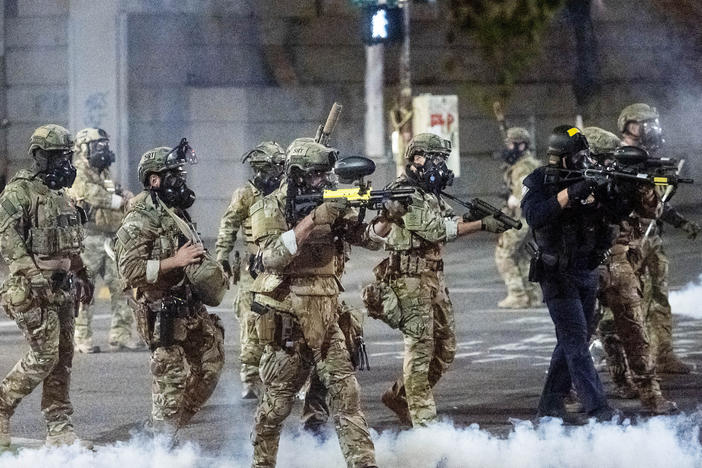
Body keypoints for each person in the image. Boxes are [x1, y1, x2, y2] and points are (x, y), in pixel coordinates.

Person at [363, 133, 508, 427]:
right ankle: (426, 428)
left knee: (444, 349)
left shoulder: (428, 193)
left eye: (443, 159)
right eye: (436, 158)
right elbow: (433, 231)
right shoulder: (404, 193)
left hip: (432, 279)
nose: (440, 165)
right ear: (417, 158)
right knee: (420, 351)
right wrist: (481, 225)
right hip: (409, 281)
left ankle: (399, 396)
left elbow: (448, 222)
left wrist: (470, 218)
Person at [249, 137, 379, 468]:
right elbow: (271, 257)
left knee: (348, 399)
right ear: (297, 175)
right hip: (287, 321)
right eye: (318, 174)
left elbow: (369, 239)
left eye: (327, 174)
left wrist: (385, 216)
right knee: (275, 409)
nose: (325, 181)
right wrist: (314, 219)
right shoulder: (268, 207)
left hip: (326, 318)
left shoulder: (332, 203)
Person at [115, 141, 226, 438]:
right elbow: (129, 270)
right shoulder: (140, 220)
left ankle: (169, 428)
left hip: (190, 308)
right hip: (161, 313)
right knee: (170, 385)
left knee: (211, 365)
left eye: (182, 173)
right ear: (155, 180)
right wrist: (173, 262)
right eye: (174, 174)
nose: (182, 180)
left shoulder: (176, 214)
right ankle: (162, 444)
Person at [0, 124, 94, 447]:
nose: (64, 164)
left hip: (63, 290)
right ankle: (1, 404)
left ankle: (59, 427)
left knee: (64, 357)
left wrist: (83, 273)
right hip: (32, 289)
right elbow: (9, 242)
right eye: (57, 157)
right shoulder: (19, 193)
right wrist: (34, 277)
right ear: (39, 157)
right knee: (44, 355)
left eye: (66, 157)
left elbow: (68, 246)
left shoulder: (61, 196)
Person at [522, 125, 619, 421]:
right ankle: (598, 408)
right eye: (579, 156)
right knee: (577, 341)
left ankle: (549, 405)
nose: (584, 161)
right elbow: (534, 215)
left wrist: (609, 192)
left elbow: (614, 216)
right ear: (563, 158)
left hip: (586, 269)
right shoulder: (539, 180)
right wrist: (570, 193)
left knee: (571, 339)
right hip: (557, 273)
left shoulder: (588, 178)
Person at [584, 127, 676, 413]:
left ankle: (650, 394)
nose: (612, 164)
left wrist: (642, 185)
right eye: (607, 159)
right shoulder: (579, 182)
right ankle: (571, 391)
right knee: (580, 336)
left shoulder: (621, 181)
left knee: (633, 329)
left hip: (619, 261)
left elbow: (653, 212)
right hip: (587, 263)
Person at [618, 103, 699, 374]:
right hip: (629, 240)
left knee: (659, 298)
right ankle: (629, 361)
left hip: (653, 239)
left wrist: (681, 222)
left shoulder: (652, 157)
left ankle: (663, 354)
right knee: (630, 302)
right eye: (643, 123)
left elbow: (658, 204)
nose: (649, 128)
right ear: (628, 125)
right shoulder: (619, 156)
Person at [215, 141, 285, 399]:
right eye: (275, 167)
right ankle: (250, 378)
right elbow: (229, 224)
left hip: (280, 265)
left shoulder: (285, 191)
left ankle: (286, 376)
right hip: (252, 269)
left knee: (284, 321)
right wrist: (222, 256)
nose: (280, 172)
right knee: (250, 322)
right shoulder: (245, 194)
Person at [69, 127, 142, 353]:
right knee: (85, 289)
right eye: (97, 146)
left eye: (104, 145)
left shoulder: (104, 172)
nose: (103, 150)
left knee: (122, 286)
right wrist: (121, 201)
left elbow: (115, 192)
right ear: (83, 150)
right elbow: (94, 195)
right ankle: (82, 338)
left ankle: (121, 334)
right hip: (88, 238)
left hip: (111, 238)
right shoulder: (77, 172)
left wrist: (125, 195)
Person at [495, 127, 542, 308]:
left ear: (521, 146)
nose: (508, 148)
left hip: (520, 218)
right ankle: (533, 295)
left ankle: (517, 294)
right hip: (532, 218)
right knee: (523, 256)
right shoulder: (533, 163)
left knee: (504, 254)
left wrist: (512, 199)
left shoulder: (523, 167)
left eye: (511, 144)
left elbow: (523, 193)